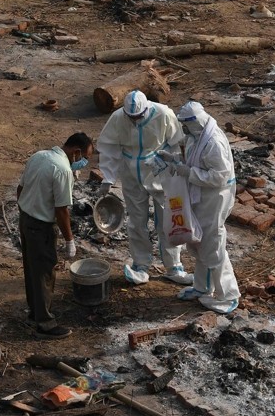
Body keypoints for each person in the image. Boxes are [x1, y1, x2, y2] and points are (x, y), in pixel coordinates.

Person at [96, 90, 192, 286]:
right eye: (131, 117)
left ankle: (174, 266)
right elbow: (109, 147)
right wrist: (108, 177)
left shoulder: (164, 114)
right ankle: (141, 265)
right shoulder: (118, 117)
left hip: (160, 171)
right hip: (131, 172)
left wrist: (172, 162)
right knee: (136, 220)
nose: (134, 121)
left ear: (146, 110)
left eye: (138, 117)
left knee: (168, 218)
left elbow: (178, 143)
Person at [159, 102, 240, 314]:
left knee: (213, 244)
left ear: (194, 122)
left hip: (215, 197)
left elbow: (219, 176)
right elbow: (193, 160)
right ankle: (202, 287)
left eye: (185, 125)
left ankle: (228, 295)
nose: (183, 129)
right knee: (199, 241)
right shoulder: (198, 136)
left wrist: (187, 172)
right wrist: (173, 159)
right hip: (202, 195)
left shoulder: (213, 142)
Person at [16, 132, 94, 339]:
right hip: (41, 226)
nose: (84, 162)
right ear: (76, 152)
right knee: (44, 272)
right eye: (84, 157)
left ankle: (35, 312)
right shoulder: (62, 170)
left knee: (32, 268)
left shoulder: (39, 156)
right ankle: (45, 324)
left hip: (26, 219)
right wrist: (70, 240)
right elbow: (61, 211)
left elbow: (20, 188)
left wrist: (27, 209)